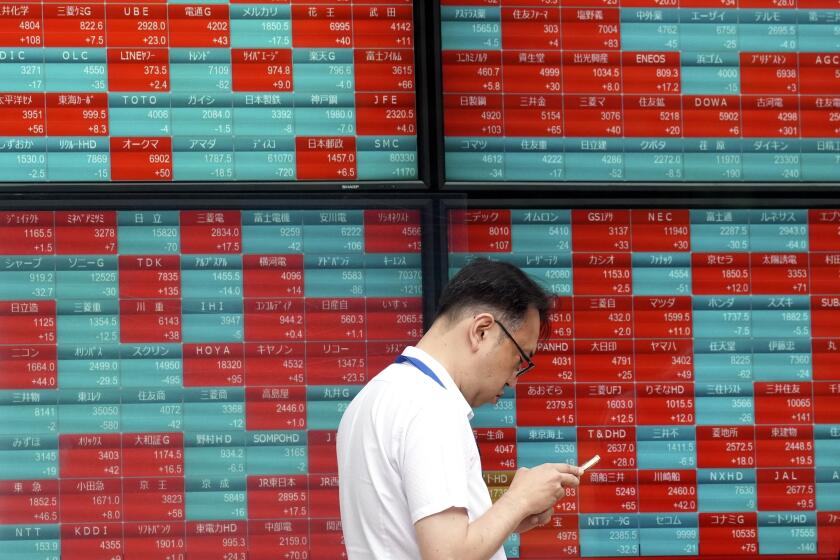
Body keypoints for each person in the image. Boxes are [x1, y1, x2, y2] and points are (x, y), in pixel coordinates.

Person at [337, 258, 581, 559]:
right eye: (520, 360)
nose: (513, 382)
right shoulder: (431, 406)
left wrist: (509, 518)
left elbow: (410, 533)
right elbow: (447, 555)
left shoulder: (372, 397)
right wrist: (518, 500)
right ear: (481, 330)